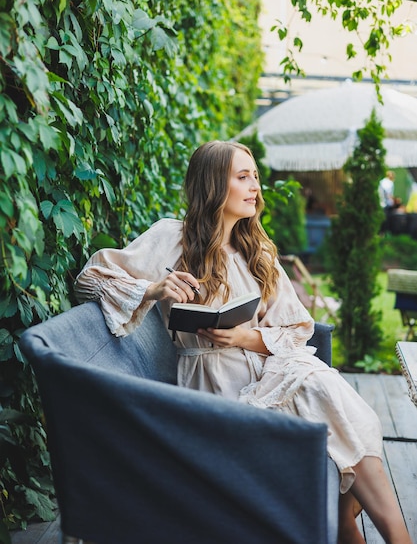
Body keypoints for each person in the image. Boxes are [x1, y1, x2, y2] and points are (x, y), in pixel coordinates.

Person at [75, 141, 411, 544]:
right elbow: (90, 279)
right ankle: (355, 526)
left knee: (325, 391)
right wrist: (154, 288)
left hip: (269, 369)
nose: (255, 187)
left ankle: (388, 536)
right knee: (329, 399)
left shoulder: (258, 250)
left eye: (255, 177)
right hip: (214, 388)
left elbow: (296, 327)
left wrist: (244, 336)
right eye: (242, 177)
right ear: (215, 184)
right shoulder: (172, 237)